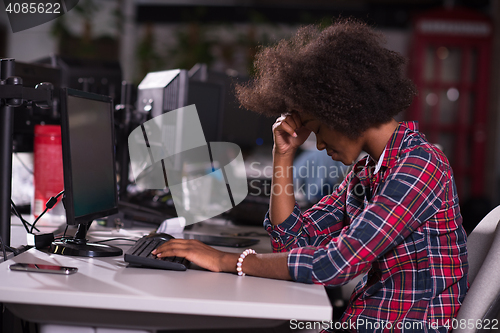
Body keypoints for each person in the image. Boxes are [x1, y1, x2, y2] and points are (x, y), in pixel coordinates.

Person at [152, 19, 468, 332]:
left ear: (343, 110)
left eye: (317, 128)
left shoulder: (420, 165)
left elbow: (337, 263)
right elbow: (291, 242)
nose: (318, 143)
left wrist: (227, 261)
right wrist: (283, 154)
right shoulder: (365, 173)